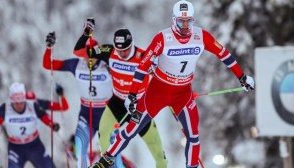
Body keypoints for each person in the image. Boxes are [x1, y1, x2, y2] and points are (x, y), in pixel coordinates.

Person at [90, 0, 255, 168]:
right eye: (180, 21)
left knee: (193, 135)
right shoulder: (163, 38)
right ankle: (107, 160)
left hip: (182, 94)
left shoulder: (201, 36)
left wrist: (241, 77)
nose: (185, 26)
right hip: (157, 91)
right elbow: (143, 66)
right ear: (173, 20)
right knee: (132, 129)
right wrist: (132, 94)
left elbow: (224, 55)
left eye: (188, 21)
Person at [74, 20, 167, 168]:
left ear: (132, 44)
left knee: (158, 152)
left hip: (139, 107)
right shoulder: (109, 51)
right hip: (117, 102)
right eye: (119, 50)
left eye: (126, 49)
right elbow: (78, 52)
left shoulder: (144, 56)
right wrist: (86, 33)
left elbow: (165, 78)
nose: (122, 53)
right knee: (103, 133)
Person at [43, 30, 113, 168]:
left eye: (93, 54)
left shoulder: (108, 65)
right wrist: (49, 48)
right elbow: (48, 64)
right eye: (87, 54)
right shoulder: (76, 65)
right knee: (80, 151)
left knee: (113, 156)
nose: (89, 58)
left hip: (108, 116)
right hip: (86, 117)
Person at [0, 82, 60, 168]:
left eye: (22, 102)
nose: (19, 105)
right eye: (16, 103)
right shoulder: (6, 108)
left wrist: (52, 124)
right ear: (12, 101)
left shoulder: (32, 105)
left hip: (34, 145)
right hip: (15, 148)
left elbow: (44, 116)